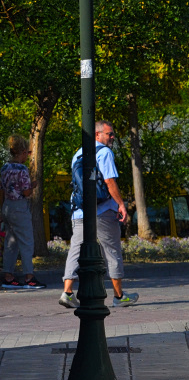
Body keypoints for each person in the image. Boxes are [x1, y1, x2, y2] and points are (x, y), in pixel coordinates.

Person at [60, 120, 139, 309]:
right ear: (97, 135)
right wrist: (121, 204)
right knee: (111, 251)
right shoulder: (104, 153)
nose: (112, 137)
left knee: (76, 250)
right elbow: (110, 181)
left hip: (80, 211)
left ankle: (67, 292)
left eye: (112, 134)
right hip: (102, 211)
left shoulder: (77, 154)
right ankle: (119, 296)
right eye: (108, 134)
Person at [1, 134, 45, 289]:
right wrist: (32, 186)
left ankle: (8, 275)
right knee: (27, 242)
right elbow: (25, 192)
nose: (28, 155)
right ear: (22, 152)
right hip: (19, 206)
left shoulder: (5, 168)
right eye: (28, 152)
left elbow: (1, 190)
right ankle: (29, 277)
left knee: (10, 243)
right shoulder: (22, 169)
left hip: (7, 206)